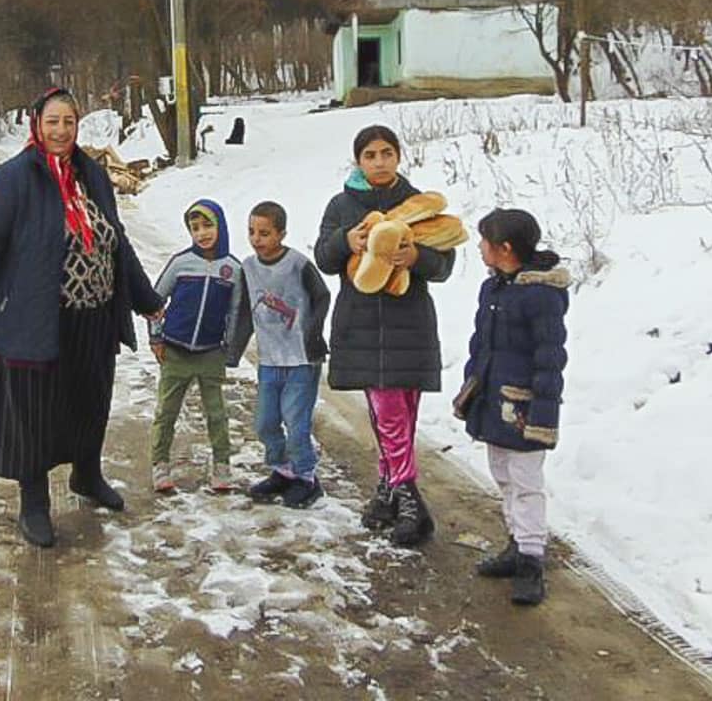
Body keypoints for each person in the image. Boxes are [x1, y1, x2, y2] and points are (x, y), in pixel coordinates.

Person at [0, 87, 163, 548]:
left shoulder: (93, 175)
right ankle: (35, 502)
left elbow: (116, 241)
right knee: (35, 412)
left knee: (90, 399)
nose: (61, 131)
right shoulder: (13, 179)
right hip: (39, 315)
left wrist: (145, 298)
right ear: (36, 125)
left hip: (95, 313)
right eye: (53, 122)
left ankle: (87, 474)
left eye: (69, 122)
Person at [314, 125, 455, 546]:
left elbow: (445, 264)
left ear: (398, 156)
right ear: (358, 160)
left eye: (386, 153)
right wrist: (346, 240)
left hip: (409, 318)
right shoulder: (342, 205)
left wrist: (418, 256)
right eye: (370, 155)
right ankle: (411, 499)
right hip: (361, 322)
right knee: (387, 406)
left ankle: (388, 489)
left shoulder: (417, 204)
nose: (379, 162)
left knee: (404, 410)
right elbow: (323, 256)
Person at [455, 208, 569, 606]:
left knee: (525, 481)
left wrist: (542, 415)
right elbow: (480, 343)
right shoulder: (494, 289)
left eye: (485, 241)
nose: (480, 247)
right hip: (493, 399)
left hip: (523, 406)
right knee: (502, 472)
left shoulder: (540, 297)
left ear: (504, 248)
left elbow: (549, 358)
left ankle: (532, 559)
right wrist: (472, 386)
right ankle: (515, 543)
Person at [229, 201, 331, 509]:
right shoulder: (247, 268)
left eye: (264, 233)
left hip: (301, 359)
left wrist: (313, 332)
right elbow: (244, 310)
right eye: (251, 232)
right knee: (265, 422)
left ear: (281, 234)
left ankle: (306, 478)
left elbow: (322, 296)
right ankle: (282, 469)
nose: (256, 239)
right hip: (270, 360)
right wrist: (233, 350)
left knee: (295, 421)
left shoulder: (298, 264)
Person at [148, 200, 245, 493]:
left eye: (208, 226)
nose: (202, 233)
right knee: (167, 411)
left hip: (210, 352)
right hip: (175, 350)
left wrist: (229, 348)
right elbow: (154, 302)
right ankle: (160, 464)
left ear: (221, 226)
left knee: (216, 413)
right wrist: (156, 337)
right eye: (195, 228)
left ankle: (222, 466)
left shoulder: (233, 269)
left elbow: (237, 312)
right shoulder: (181, 263)